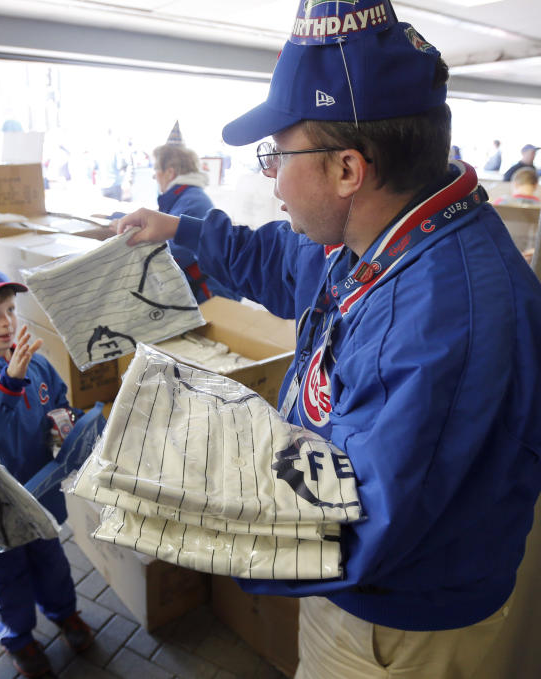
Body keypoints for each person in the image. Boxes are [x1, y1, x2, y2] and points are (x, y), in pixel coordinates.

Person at [116, 2, 541, 677]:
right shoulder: (372, 232)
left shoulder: (449, 318)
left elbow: (357, 525)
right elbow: (275, 261)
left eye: (279, 155)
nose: (272, 178)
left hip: (397, 630)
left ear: (348, 169)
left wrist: (186, 494)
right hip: (364, 589)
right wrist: (178, 231)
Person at [0, 268, 94, 678]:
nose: (7, 322)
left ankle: (65, 613)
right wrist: (10, 380)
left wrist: (73, 428)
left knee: (52, 560)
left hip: (39, 493)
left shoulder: (39, 363)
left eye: (11, 310)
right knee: (7, 574)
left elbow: (59, 406)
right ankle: (18, 638)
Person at [152, 123, 237, 302]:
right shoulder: (184, 196)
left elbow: (173, 257)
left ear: (169, 172)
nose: (154, 176)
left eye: (156, 170)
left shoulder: (192, 202)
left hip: (207, 296)